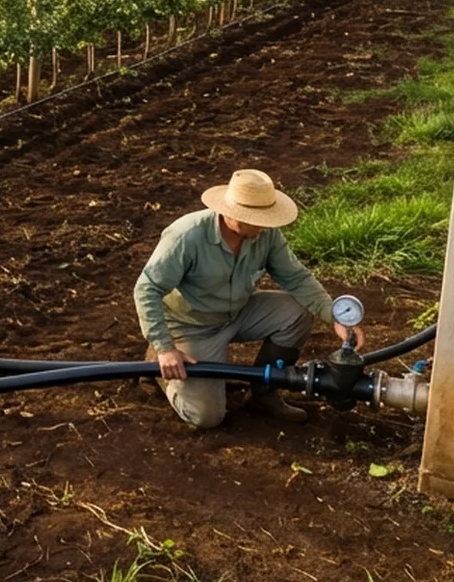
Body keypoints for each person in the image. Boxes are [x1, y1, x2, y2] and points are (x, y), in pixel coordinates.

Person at [132, 168, 365, 428]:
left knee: (296, 312)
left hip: (238, 312)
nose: (266, 226)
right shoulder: (187, 236)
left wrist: (335, 315)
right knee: (206, 417)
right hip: (191, 327)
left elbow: (296, 278)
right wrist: (165, 348)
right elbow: (147, 289)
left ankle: (264, 392)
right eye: (257, 219)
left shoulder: (266, 234)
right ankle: (158, 365)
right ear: (232, 214)